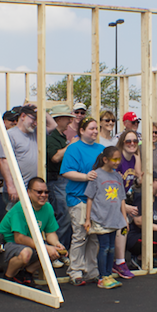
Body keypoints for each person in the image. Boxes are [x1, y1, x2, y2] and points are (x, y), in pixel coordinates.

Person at [59, 117, 105, 286]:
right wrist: (85, 177)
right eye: (91, 128)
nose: (94, 132)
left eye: (96, 129)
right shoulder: (74, 148)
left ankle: (91, 270)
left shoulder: (102, 149)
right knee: (80, 235)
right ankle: (75, 271)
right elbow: (66, 172)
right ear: (82, 130)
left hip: (97, 201)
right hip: (78, 198)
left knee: (94, 236)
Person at [0, 177, 66, 284]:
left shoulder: (48, 207)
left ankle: (27, 273)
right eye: (39, 192)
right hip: (5, 246)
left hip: (27, 245)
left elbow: (50, 233)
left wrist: (57, 244)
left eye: (46, 192)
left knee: (55, 252)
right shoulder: (20, 208)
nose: (43, 195)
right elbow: (19, 238)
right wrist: (46, 247)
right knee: (26, 252)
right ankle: (8, 277)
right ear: (29, 192)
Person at [85, 145, 130, 288]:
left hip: (114, 219)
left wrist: (124, 219)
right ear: (105, 159)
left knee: (111, 247)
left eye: (119, 159)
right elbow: (90, 198)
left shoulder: (117, 176)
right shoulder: (96, 175)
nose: (117, 162)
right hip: (100, 218)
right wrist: (87, 219)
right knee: (104, 247)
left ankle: (109, 274)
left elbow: (122, 198)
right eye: (114, 159)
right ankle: (102, 277)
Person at [0, 105, 39, 207]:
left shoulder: (35, 133)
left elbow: (52, 125)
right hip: (17, 189)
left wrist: (40, 109)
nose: (35, 123)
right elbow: (4, 162)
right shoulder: (9, 135)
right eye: (33, 119)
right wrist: (11, 186)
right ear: (23, 116)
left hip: (33, 190)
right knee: (15, 220)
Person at [46, 108, 74, 252]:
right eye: (66, 118)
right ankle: (57, 250)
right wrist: (70, 146)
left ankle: (62, 250)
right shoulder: (51, 138)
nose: (70, 121)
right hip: (56, 181)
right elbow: (55, 157)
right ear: (58, 120)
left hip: (64, 181)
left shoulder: (61, 137)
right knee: (63, 215)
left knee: (67, 215)